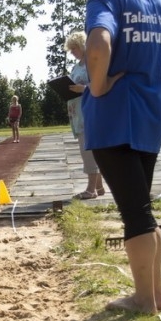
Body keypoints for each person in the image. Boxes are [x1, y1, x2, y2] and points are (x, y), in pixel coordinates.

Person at [83, 0, 161, 314]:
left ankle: (143, 300)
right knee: (142, 209)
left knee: (135, 214)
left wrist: (98, 86)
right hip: (151, 112)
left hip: (115, 115)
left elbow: (97, 46)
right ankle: (156, 296)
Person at [64, 31, 106, 200]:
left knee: (88, 152)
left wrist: (84, 89)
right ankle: (99, 186)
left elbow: (101, 84)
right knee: (90, 151)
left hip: (90, 113)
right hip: (78, 115)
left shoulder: (91, 63)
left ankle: (91, 189)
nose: (72, 52)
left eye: (74, 48)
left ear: (82, 45)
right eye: (70, 49)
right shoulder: (77, 66)